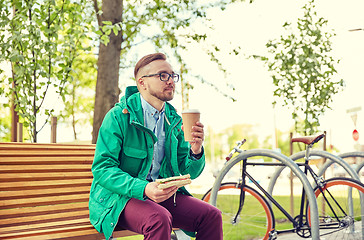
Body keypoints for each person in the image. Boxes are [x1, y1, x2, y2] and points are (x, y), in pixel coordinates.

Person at [89, 53, 223, 240]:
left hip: (161, 196)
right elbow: (103, 169)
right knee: (158, 218)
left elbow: (187, 172)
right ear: (142, 83)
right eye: (162, 75)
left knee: (211, 215)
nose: (170, 81)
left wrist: (196, 150)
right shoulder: (119, 116)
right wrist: (144, 188)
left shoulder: (174, 120)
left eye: (172, 75)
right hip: (119, 199)